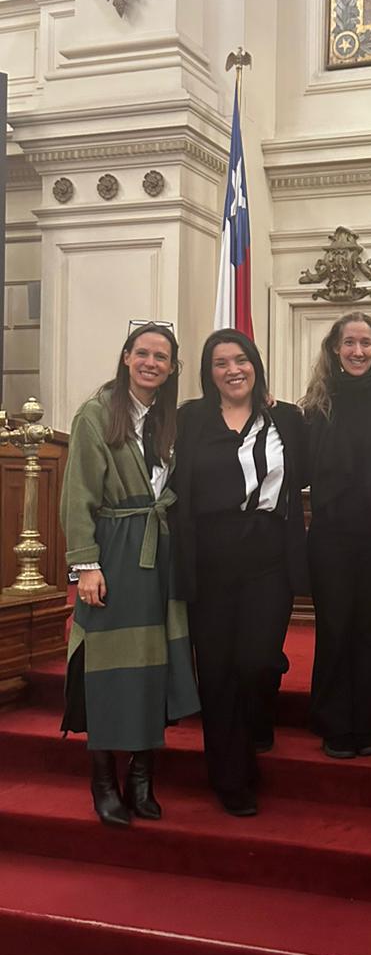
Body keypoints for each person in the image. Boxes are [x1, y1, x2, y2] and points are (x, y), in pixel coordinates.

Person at [61, 321, 199, 827]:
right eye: (142, 353)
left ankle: (142, 778)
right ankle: (104, 780)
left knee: (150, 666)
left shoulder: (169, 419)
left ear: (172, 368)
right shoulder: (96, 414)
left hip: (159, 554)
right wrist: (86, 566)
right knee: (108, 667)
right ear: (125, 357)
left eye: (161, 357)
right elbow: (77, 496)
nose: (150, 363)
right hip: (115, 554)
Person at [174, 330, 308, 817]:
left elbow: (307, 471)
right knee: (216, 670)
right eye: (220, 362)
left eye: (241, 360)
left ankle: (259, 717)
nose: (233, 370)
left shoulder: (286, 418)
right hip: (208, 558)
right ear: (208, 373)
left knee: (256, 660)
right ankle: (231, 777)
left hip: (268, 556)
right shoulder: (189, 419)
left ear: (255, 365)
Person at [302, 313, 371, 758]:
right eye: (349, 342)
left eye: (366, 343)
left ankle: (365, 720)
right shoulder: (316, 406)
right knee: (334, 627)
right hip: (330, 536)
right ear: (335, 348)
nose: (358, 351)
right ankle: (333, 722)